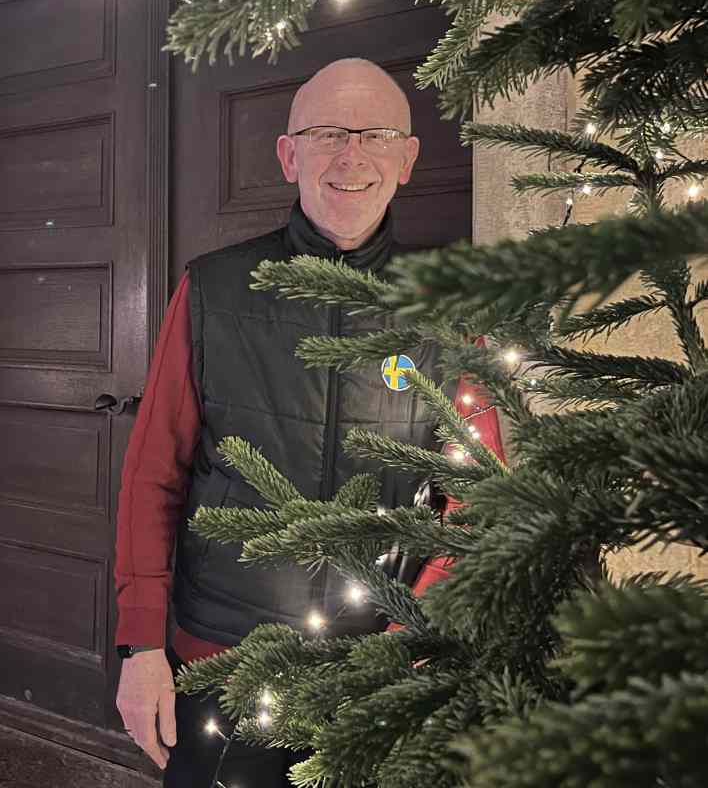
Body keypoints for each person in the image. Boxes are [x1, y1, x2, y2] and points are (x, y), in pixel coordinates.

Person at [114, 57, 505, 788]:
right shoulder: (212, 288)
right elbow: (153, 475)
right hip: (223, 664)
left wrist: (411, 640)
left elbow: (476, 502)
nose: (351, 156)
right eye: (326, 134)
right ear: (289, 156)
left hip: (380, 673)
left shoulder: (451, 307)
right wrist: (141, 647)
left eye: (375, 135)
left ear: (407, 159)